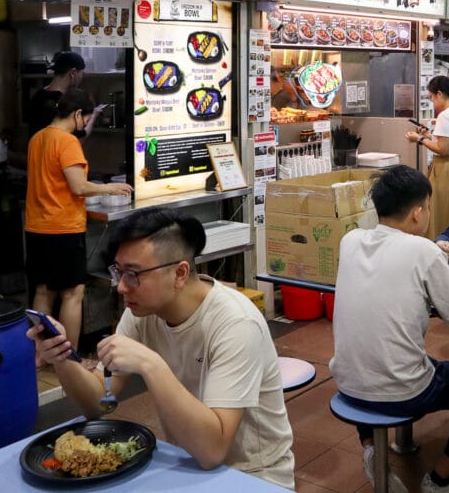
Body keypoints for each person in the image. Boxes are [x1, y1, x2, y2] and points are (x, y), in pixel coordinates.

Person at [29, 206, 294, 487]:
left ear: (179, 273)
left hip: (253, 476)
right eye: (118, 272)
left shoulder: (235, 324)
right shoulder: (141, 312)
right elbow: (97, 403)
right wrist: (62, 358)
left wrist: (151, 364)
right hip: (188, 462)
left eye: (133, 274)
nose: (120, 287)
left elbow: (212, 451)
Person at [330, 165, 449, 493]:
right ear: (417, 213)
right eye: (428, 207)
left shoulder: (350, 241)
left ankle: (372, 450)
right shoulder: (424, 251)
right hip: (405, 394)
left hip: (347, 383)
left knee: (376, 356)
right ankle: (442, 479)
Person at [25, 89, 134, 353]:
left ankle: (42, 353)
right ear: (76, 114)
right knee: (72, 294)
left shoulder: (37, 138)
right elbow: (78, 187)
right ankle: (69, 357)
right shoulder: (67, 141)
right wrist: (110, 188)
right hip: (62, 227)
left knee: (43, 292)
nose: (85, 124)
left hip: (36, 226)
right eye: (85, 118)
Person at [405, 76, 449, 240]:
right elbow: (447, 141)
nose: (432, 101)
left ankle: (443, 248)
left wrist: (419, 139)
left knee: (442, 213)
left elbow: (443, 149)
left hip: (446, 168)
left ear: (439, 94)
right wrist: (429, 135)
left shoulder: (445, 116)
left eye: (432, 97)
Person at [27, 51, 104, 138]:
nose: (82, 77)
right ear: (73, 73)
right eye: (81, 73)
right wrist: (93, 115)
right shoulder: (64, 103)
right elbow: (78, 139)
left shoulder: (38, 95)